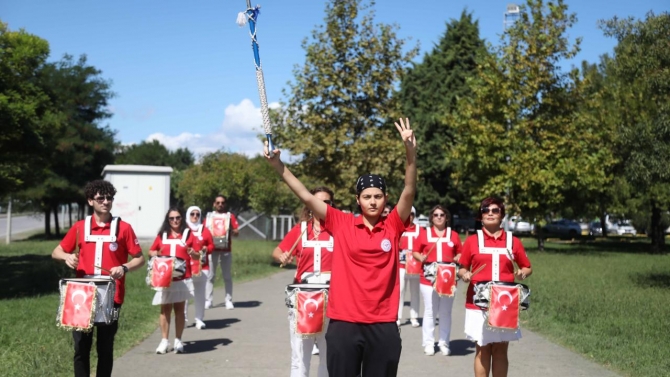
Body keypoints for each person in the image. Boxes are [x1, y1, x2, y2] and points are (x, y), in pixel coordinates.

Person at [265, 117, 416, 377]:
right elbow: (306, 195)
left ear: (385, 199)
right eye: (367, 197)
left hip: (383, 324)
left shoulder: (392, 225)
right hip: (344, 324)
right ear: (358, 199)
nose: (372, 202)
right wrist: (279, 166)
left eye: (378, 197)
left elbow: (409, 190)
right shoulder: (341, 222)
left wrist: (410, 152)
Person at [52, 180, 145, 377]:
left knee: (105, 348)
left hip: (112, 296)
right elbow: (56, 251)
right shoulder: (79, 227)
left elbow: (140, 258)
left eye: (109, 198)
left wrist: (124, 267)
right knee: (81, 348)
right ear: (90, 201)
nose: (105, 202)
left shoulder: (124, 228)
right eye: (100, 198)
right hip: (81, 295)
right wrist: (66, 256)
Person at [458, 197, 533, 377]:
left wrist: (523, 272)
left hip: (505, 304)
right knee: (483, 349)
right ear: (480, 216)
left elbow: (527, 266)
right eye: (485, 210)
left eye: (495, 210)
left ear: (502, 215)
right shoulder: (471, 241)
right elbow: (462, 268)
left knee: (500, 350)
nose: (490, 213)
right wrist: (465, 274)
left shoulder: (513, 241)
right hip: (478, 304)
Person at [272, 187, 335, 377]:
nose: (322, 206)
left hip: (331, 297)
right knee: (300, 354)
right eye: (318, 201)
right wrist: (281, 257)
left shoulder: (338, 230)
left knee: (328, 354)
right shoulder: (300, 230)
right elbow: (277, 251)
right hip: (303, 298)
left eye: (327, 202)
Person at [413, 205, 462, 356]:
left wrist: (457, 258)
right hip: (428, 279)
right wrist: (421, 257)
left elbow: (461, 252)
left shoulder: (453, 235)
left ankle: (444, 343)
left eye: (442, 215)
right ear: (431, 218)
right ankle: (428, 343)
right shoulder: (424, 234)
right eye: (436, 215)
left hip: (448, 279)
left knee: (446, 312)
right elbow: (415, 251)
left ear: (446, 217)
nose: (439, 217)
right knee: (430, 311)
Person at [150, 207, 196, 354]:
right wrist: (156, 253)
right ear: (168, 220)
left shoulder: (188, 234)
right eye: (171, 218)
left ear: (181, 218)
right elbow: (151, 251)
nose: (175, 220)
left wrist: (193, 252)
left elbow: (197, 255)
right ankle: (164, 341)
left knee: (180, 310)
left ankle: (178, 340)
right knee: (165, 310)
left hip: (182, 278)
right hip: (164, 277)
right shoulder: (163, 235)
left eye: (177, 217)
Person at [204, 195, 239, 310]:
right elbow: (203, 232)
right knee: (210, 276)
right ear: (214, 204)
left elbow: (236, 231)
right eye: (218, 202)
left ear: (225, 204)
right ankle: (208, 300)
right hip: (212, 250)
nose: (220, 204)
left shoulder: (230, 217)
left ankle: (228, 300)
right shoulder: (209, 217)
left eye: (222, 202)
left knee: (227, 276)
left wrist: (233, 231)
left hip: (226, 249)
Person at [185, 206, 214, 329]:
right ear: (188, 215)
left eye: (197, 214)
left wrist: (207, 248)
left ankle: (199, 319)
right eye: (192, 214)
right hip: (186, 266)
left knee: (200, 294)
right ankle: (183, 319)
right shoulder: (184, 230)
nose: (195, 216)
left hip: (203, 266)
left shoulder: (205, 230)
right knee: (185, 294)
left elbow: (211, 245)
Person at [397, 206, 422, 328]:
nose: (409, 216)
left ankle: (414, 317)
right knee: (400, 291)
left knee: (415, 292)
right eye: (407, 214)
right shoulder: (399, 228)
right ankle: (397, 317)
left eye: (411, 214)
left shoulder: (420, 230)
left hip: (415, 267)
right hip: (401, 265)